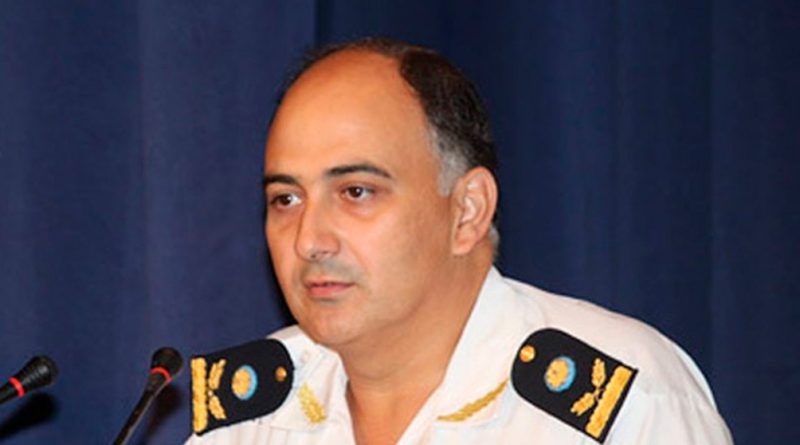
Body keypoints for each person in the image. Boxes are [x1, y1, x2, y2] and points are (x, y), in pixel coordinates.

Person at [185, 38, 733, 445]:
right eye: (286, 199)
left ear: (468, 210)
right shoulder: (252, 419)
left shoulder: (618, 401)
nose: (309, 240)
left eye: (356, 192)